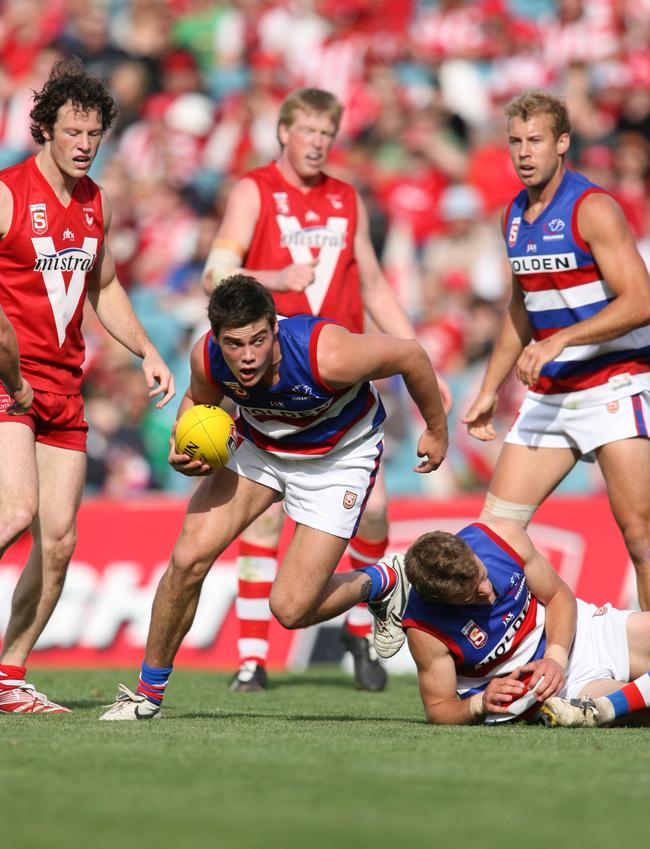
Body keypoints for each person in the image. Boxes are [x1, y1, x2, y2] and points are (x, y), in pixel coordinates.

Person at [99, 274, 448, 720]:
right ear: (217, 337)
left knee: (290, 608)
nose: (247, 357)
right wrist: (181, 441)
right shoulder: (208, 357)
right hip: (260, 447)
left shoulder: (327, 353)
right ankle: (147, 697)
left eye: (258, 340)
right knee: (187, 560)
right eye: (234, 344)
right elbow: (197, 404)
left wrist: (437, 431)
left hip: (338, 458)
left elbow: (412, 356)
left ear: (275, 327)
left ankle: (383, 580)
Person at [202, 87, 451, 692]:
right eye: (307, 130)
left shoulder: (345, 198)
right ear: (283, 132)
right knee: (260, 521)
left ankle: (363, 637)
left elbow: (371, 283)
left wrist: (417, 350)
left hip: (336, 380)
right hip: (269, 374)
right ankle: (252, 658)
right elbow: (216, 271)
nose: (316, 142)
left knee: (378, 513)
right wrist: (274, 278)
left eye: (326, 133)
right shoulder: (254, 189)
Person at [0, 58, 175, 714]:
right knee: (15, 512)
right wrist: (11, 375)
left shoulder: (96, 200)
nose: (83, 144)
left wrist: (149, 351)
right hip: (5, 376)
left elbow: (103, 287)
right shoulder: (8, 192)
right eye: (72, 131)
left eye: (93, 134)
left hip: (62, 385)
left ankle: (8, 676)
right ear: (44, 129)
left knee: (61, 539)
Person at [462, 89, 650, 610]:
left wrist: (562, 339)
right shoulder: (514, 216)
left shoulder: (593, 208)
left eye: (536, 141)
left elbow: (642, 300)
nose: (524, 153)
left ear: (562, 142)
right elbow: (521, 309)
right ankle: (528, 644)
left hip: (615, 385)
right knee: (495, 534)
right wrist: (486, 389)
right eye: (516, 142)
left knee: (640, 538)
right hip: (551, 396)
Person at [401, 519, 650, 728]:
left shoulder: (501, 537)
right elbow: (438, 708)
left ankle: (610, 705)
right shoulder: (425, 630)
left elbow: (557, 595)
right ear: (442, 601)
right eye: (471, 595)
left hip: (588, 632)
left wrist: (555, 658)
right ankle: (609, 706)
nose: (487, 591)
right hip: (554, 694)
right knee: (641, 711)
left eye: (482, 575)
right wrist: (479, 703)